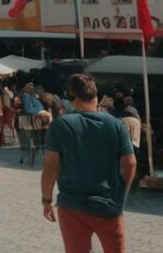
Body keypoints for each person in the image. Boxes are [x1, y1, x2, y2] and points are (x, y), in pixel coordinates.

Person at [41, 72, 136, 253]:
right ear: (96, 95)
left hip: (72, 204)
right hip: (108, 203)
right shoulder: (116, 124)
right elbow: (130, 163)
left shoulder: (60, 125)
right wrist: (122, 193)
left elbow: (51, 165)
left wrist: (46, 199)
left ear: (72, 97)